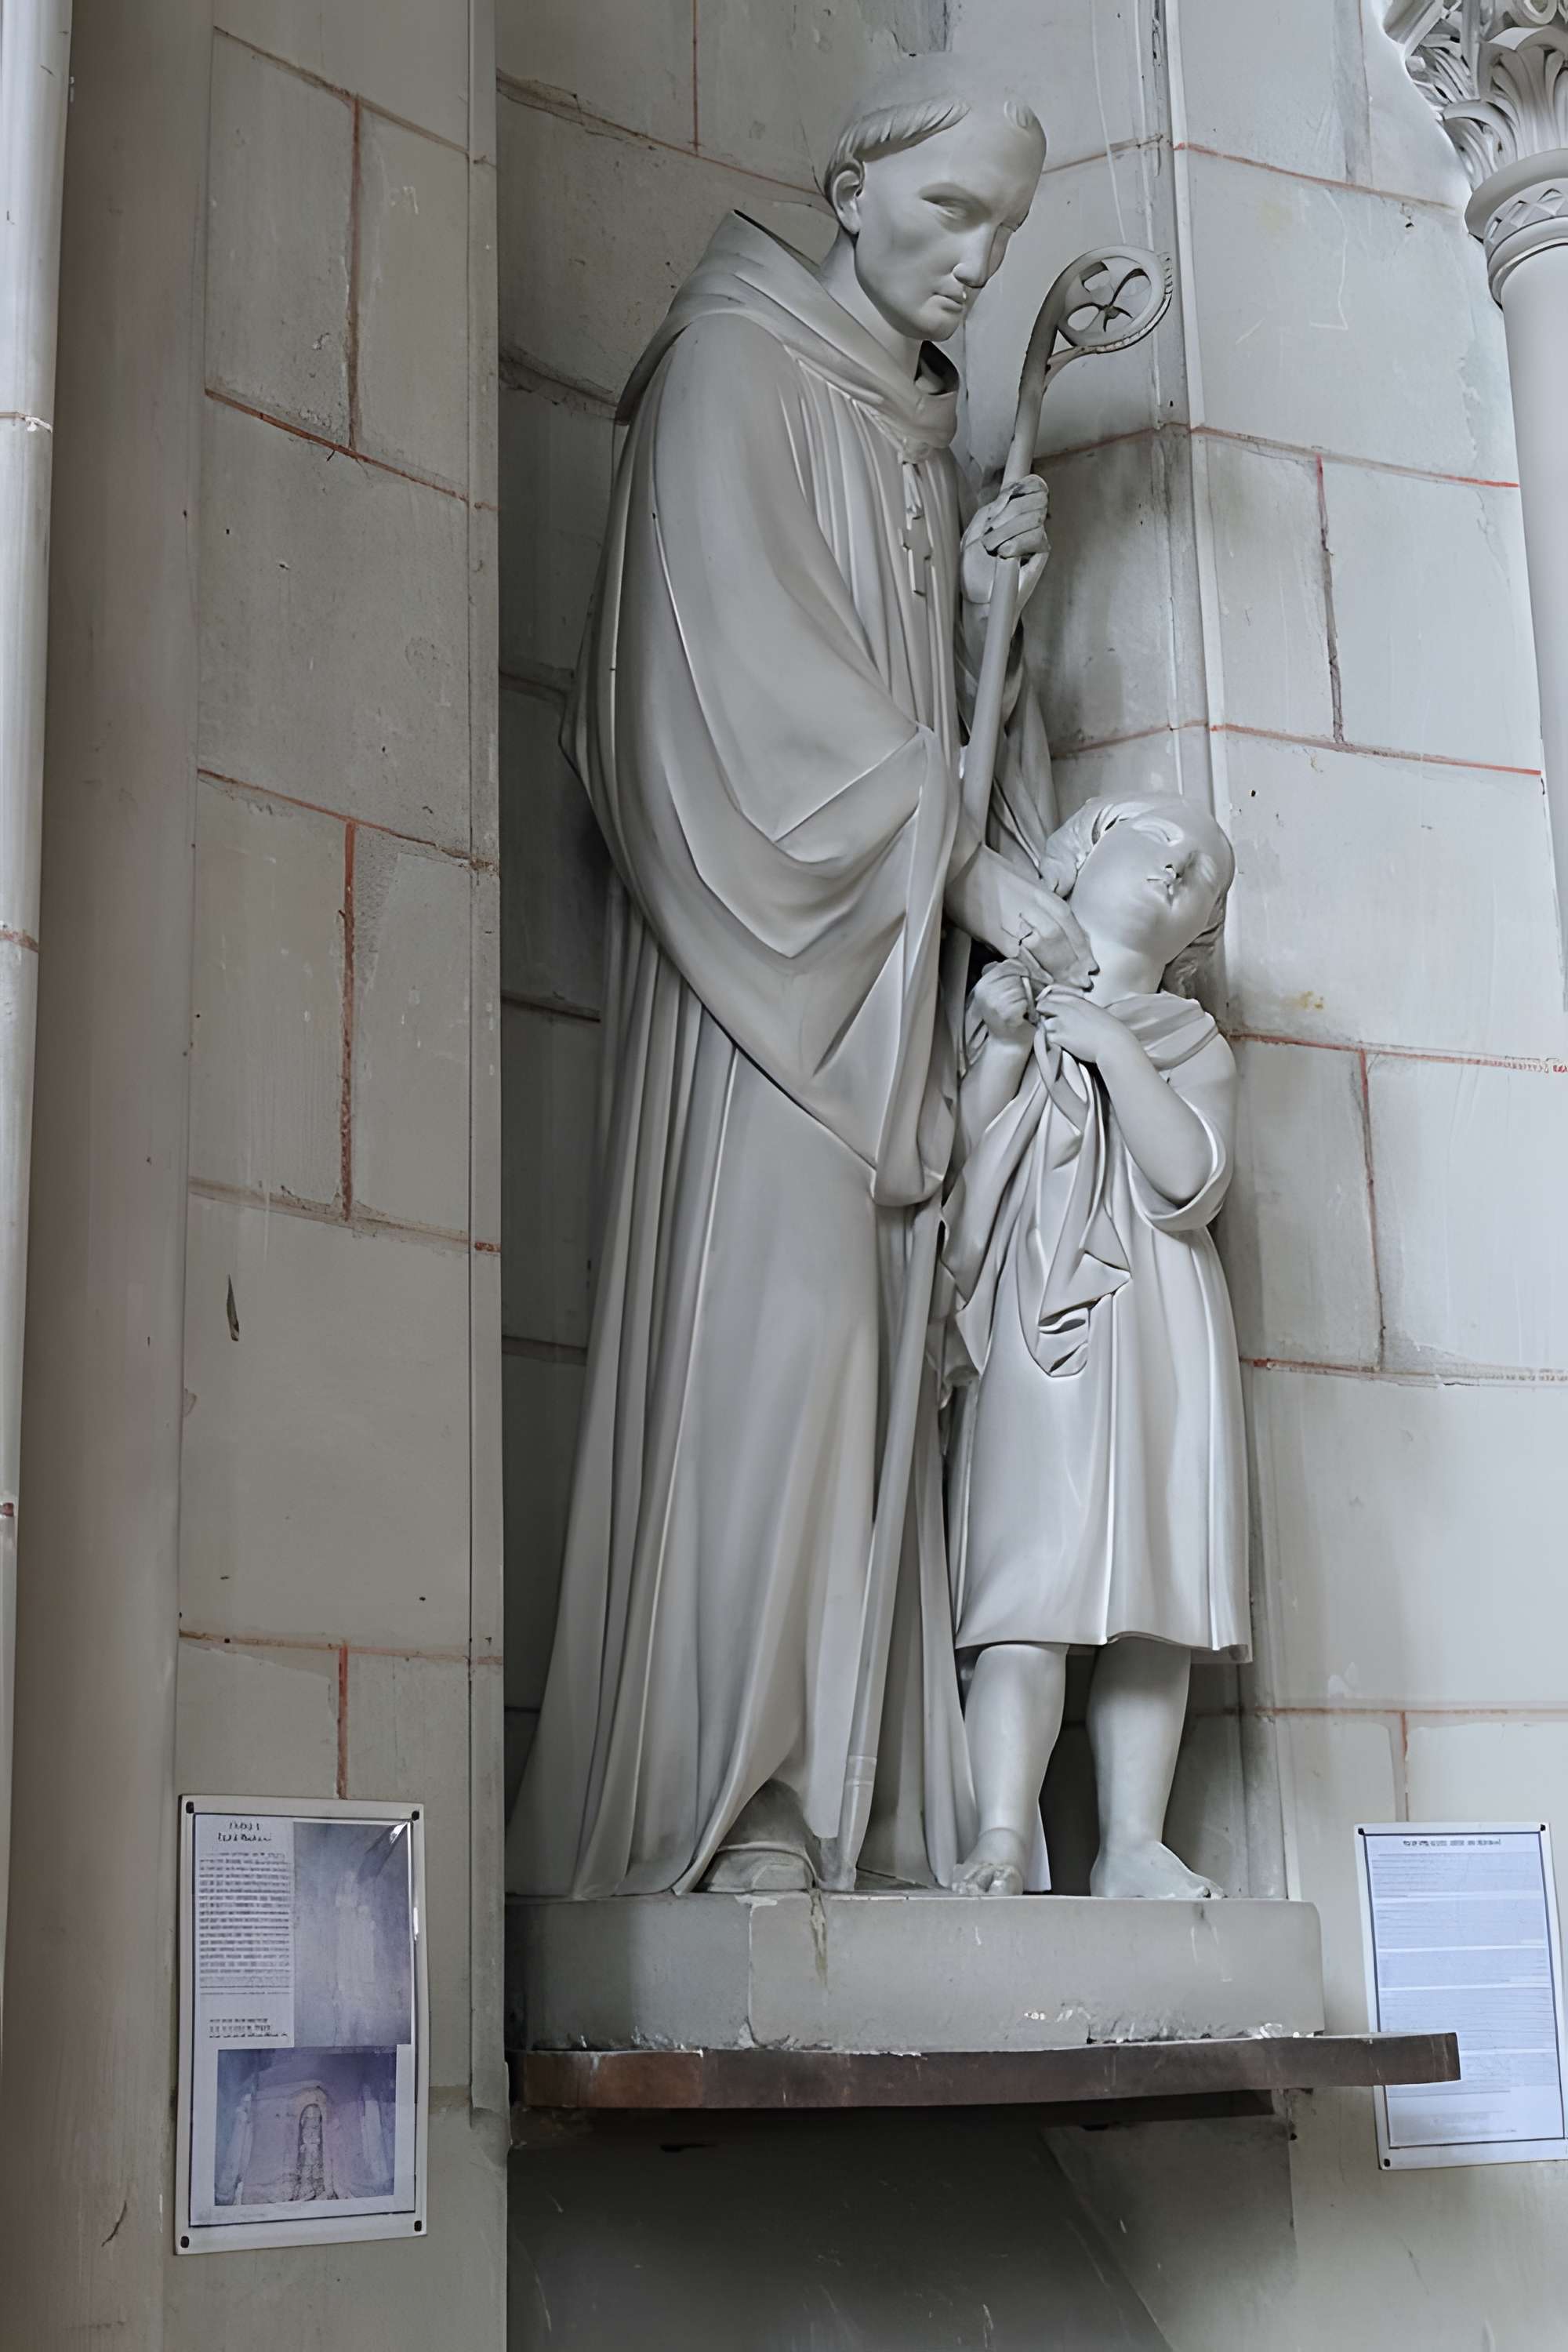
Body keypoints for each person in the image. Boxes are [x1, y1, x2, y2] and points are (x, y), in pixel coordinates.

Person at [506, 62, 1093, 1900]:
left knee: (886, 1375)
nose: (974, 265)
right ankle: (736, 1791)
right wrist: (964, 853)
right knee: (783, 1354)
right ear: (853, 185)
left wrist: (991, 617)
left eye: (1001, 235)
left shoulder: (910, 430)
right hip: (771, 986)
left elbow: (932, 712)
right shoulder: (728, 373)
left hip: (887, 981)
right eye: (948, 219)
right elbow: (729, 700)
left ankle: (868, 1815)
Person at [939, 793, 1247, 1899]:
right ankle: (1003, 1836)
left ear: (1204, 934)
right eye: (1161, 841)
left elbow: (1189, 1181)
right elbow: (957, 1168)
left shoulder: (1190, 1039)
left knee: (1152, 1590)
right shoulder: (1004, 1005)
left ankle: (1130, 1842)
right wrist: (1002, 1052)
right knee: (1027, 1578)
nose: (1183, 867)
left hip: (1158, 1321)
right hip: (1038, 1309)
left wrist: (1116, 1048)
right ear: (1080, 858)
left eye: (1205, 873)